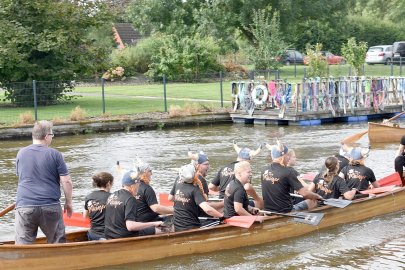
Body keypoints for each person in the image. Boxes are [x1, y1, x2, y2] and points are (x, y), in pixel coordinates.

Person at [14, 120, 73, 244]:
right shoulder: (55, 154)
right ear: (46, 136)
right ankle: (58, 262)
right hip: (50, 205)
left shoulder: (21, 153)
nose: (52, 138)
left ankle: (22, 262)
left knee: (23, 244)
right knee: (57, 241)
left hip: (25, 205)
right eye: (52, 135)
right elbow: (66, 181)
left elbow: (22, 178)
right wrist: (68, 202)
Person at [261, 140, 322, 213]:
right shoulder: (288, 171)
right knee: (312, 201)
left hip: (268, 211)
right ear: (283, 156)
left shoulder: (263, 170)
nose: (289, 158)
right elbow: (305, 193)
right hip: (286, 212)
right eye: (288, 155)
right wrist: (317, 196)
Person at [104, 170, 164, 239]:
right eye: (138, 186)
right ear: (132, 186)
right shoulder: (130, 199)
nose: (138, 189)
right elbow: (130, 226)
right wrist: (154, 223)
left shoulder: (112, 195)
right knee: (165, 229)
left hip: (109, 235)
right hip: (124, 236)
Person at [171, 163, 224, 232]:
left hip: (177, 225)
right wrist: (222, 217)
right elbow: (208, 210)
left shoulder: (178, 185)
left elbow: (170, 198)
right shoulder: (195, 189)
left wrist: (182, 199)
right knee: (218, 222)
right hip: (191, 227)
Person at [208, 141, 262, 206]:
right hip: (236, 203)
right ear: (248, 160)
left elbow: (211, 187)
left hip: (222, 200)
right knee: (261, 202)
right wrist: (257, 197)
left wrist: (223, 189)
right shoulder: (245, 170)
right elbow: (247, 188)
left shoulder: (224, 168)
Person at [83, 172, 114, 240]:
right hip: (108, 235)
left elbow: (85, 217)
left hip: (92, 234)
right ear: (109, 183)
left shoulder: (89, 197)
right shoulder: (113, 197)